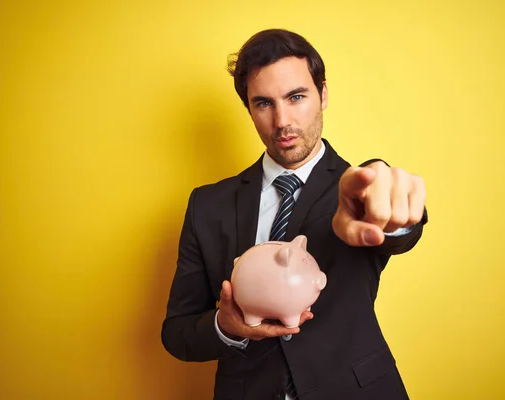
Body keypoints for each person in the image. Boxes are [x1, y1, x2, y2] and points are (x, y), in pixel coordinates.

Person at [161, 28, 428, 400]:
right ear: (250, 110)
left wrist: (397, 217)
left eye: (296, 96)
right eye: (264, 103)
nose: (282, 120)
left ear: (323, 94)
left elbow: (396, 226)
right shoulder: (207, 205)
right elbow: (177, 334)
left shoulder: (358, 190)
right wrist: (227, 325)